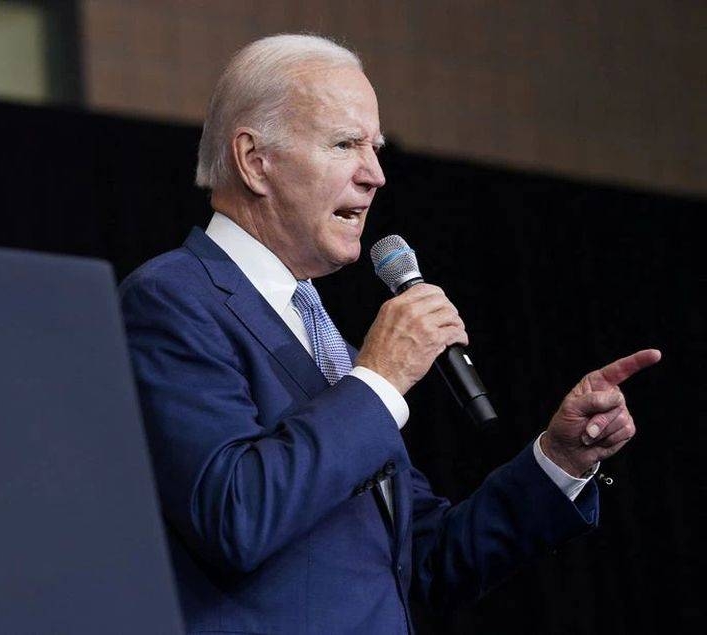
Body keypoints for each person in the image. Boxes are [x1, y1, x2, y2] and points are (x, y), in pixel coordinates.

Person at [119, 34, 660, 634]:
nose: (375, 174)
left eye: (374, 148)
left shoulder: (330, 347)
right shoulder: (172, 299)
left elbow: (426, 562)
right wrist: (378, 381)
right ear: (254, 160)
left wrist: (559, 460)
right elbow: (234, 515)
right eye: (345, 144)